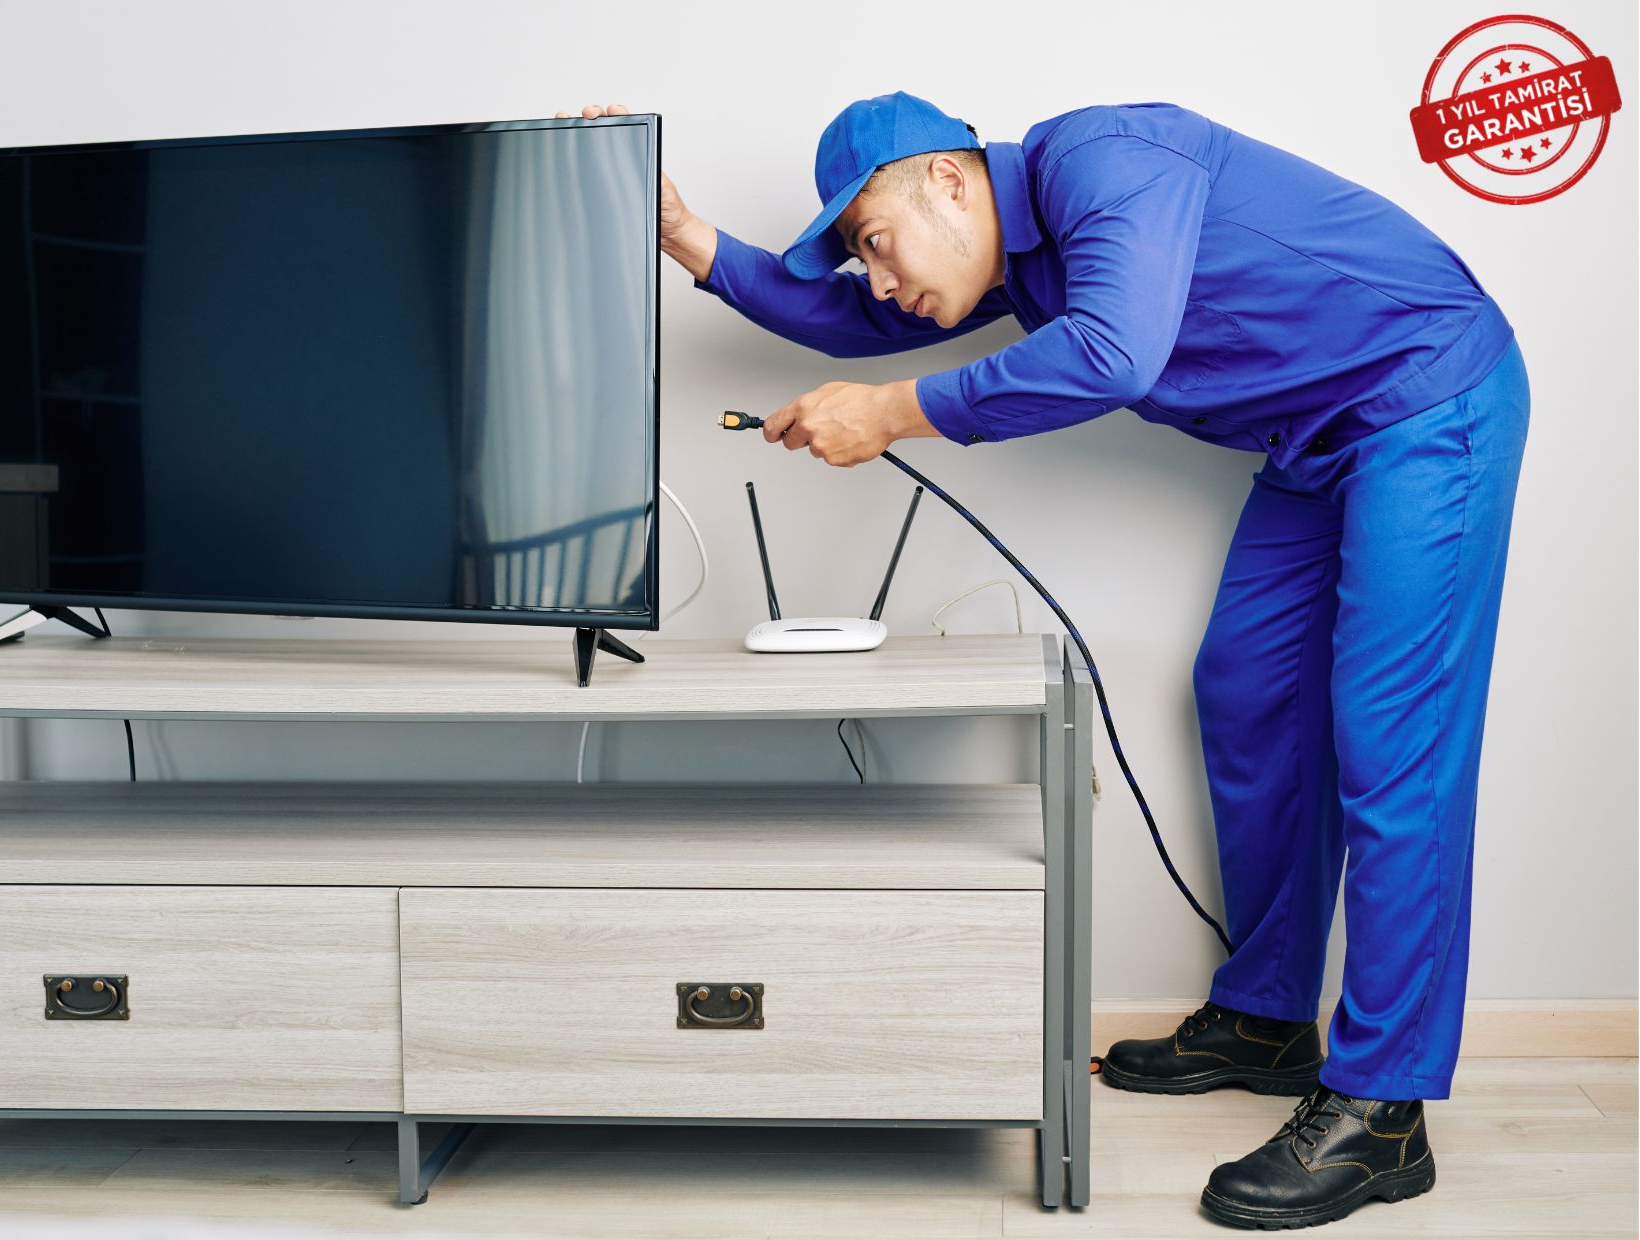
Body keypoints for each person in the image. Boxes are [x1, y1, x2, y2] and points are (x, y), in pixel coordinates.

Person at [556, 93, 1528, 1229]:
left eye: (877, 242)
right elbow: (845, 321)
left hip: (1424, 401)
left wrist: (894, 412)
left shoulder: (1106, 161)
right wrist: (687, 238)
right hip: (1312, 446)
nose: (878, 280)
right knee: (1247, 693)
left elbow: (1114, 351)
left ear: (949, 182)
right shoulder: (1012, 264)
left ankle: (1384, 1105)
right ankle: (1268, 1018)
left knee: (1392, 741)